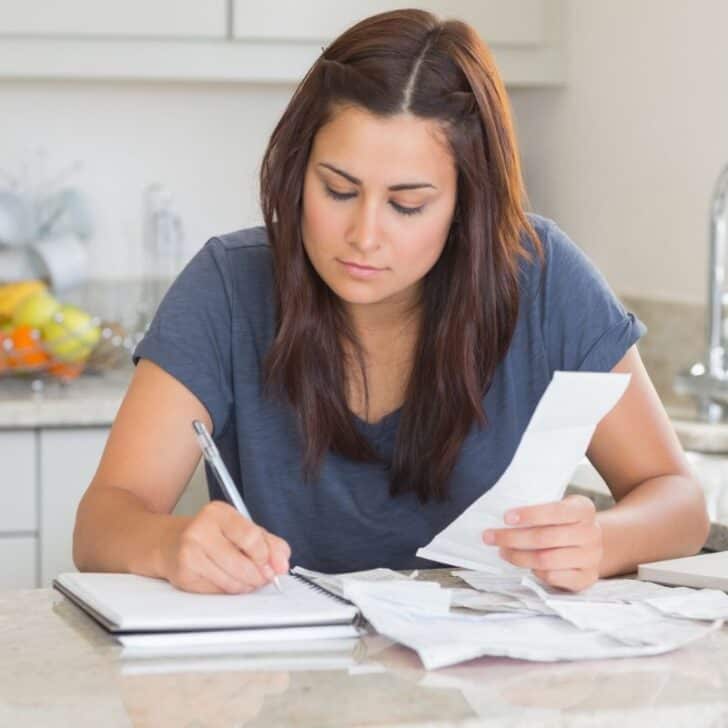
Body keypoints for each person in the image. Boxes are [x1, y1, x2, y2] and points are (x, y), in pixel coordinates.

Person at [73, 9, 709, 595]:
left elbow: (677, 499)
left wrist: (601, 540)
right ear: (298, 173)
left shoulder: (540, 277)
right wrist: (168, 542)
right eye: (338, 190)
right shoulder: (227, 287)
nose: (364, 235)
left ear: (466, 204)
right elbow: (104, 520)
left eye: (408, 204)